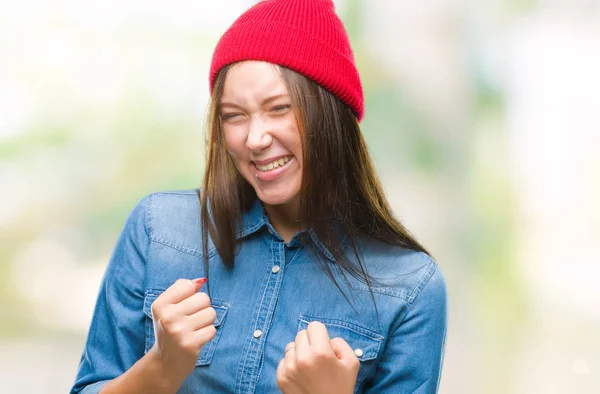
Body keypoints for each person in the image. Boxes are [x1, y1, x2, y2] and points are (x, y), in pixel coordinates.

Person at [70, 0, 448, 393]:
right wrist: (161, 368)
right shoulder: (158, 229)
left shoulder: (410, 287)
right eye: (233, 115)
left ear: (330, 114)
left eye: (279, 108)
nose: (254, 139)